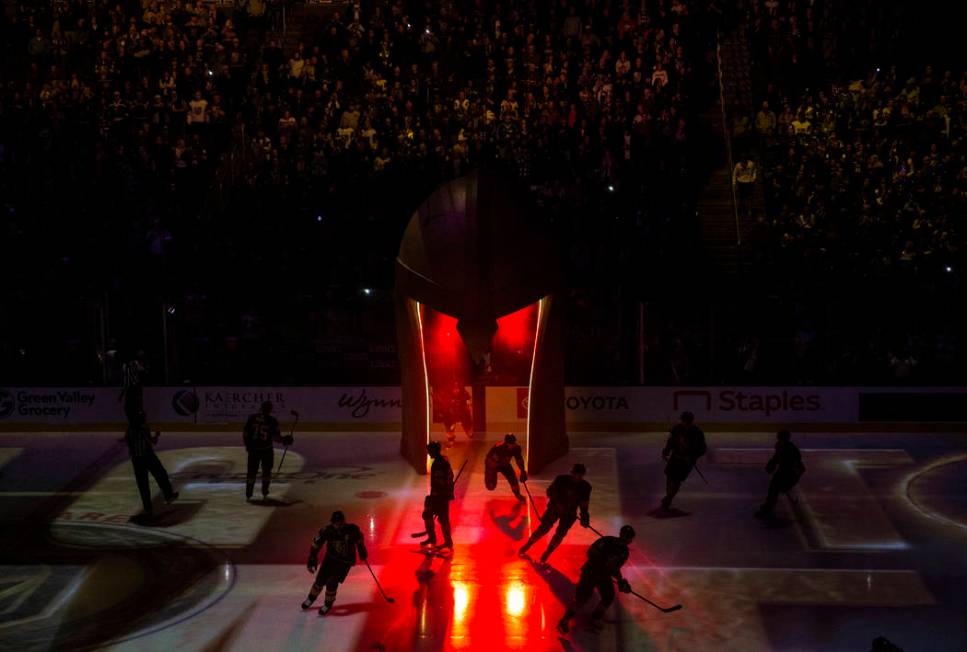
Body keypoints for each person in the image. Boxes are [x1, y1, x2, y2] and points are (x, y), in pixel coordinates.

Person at [556, 524, 636, 634]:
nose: (627, 540)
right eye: (626, 536)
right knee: (582, 598)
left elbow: (615, 568)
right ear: (621, 535)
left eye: (629, 538)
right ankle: (564, 620)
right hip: (591, 572)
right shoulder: (607, 541)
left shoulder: (624, 553)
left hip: (604, 576)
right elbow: (590, 552)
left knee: (608, 596)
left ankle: (595, 618)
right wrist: (603, 561)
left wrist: (620, 580)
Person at [518, 463, 591, 564]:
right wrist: (557, 503)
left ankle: (548, 552)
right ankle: (528, 544)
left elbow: (584, 504)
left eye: (579, 475)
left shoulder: (586, 487)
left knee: (560, 534)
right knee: (543, 528)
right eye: (575, 474)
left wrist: (584, 517)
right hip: (554, 508)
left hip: (569, 514)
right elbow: (550, 492)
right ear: (572, 473)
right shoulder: (561, 479)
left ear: (582, 476)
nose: (577, 477)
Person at [302, 511, 368, 615]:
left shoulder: (352, 530)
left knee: (331, 581)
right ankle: (311, 598)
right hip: (330, 558)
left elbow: (359, 539)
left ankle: (328, 603)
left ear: (343, 521)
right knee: (320, 580)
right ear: (332, 523)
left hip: (345, 561)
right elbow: (316, 543)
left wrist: (361, 549)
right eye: (336, 523)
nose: (338, 525)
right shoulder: (327, 531)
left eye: (340, 523)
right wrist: (312, 557)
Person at [125, 409, 178, 515]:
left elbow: (128, 442)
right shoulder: (144, 429)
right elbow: (152, 442)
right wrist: (157, 435)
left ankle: (148, 507)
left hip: (136, 459)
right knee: (161, 474)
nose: (145, 418)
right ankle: (168, 495)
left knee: (142, 483)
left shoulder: (129, 430)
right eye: (144, 417)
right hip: (148, 457)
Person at [242, 401, 292, 501]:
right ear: (270, 409)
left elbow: (245, 433)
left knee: (251, 472)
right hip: (266, 450)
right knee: (266, 472)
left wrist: (247, 445)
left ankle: (248, 493)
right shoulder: (272, 420)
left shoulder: (252, 418)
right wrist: (285, 440)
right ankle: (265, 492)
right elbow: (276, 438)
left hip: (253, 450)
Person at [661, 411, 707, 510]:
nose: (684, 423)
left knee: (676, 481)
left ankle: (669, 497)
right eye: (684, 421)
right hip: (675, 458)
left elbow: (703, 449)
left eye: (686, 421)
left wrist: (692, 457)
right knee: (669, 477)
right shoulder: (677, 429)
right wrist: (666, 450)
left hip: (686, 462)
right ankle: (669, 496)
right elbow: (671, 441)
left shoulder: (697, 432)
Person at [755, 429, 805, 518]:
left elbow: (798, 465)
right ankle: (769, 507)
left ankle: (768, 507)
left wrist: (794, 475)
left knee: (775, 488)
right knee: (775, 488)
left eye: (781, 438)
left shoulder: (791, 449)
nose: (780, 440)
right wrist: (771, 465)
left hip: (789, 472)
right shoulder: (780, 446)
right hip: (784, 471)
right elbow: (777, 457)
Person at [420, 440, 455, 549]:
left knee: (442, 519)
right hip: (438, 495)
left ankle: (446, 541)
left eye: (429, 450)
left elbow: (445, 481)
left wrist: (444, 494)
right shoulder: (441, 461)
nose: (428, 453)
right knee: (430, 515)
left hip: (440, 496)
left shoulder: (439, 464)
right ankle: (439, 539)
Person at [485, 433, 527, 502]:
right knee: (491, 487)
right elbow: (490, 461)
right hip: (492, 464)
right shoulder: (498, 448)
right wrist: (491, 473)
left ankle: (517, 494)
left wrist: (522, 471)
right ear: (506, 443)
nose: (513, 445)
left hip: (505, 464)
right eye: (511, 443)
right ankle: (490, 481)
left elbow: (519, 460)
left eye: (514, 443)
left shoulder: (516, 448)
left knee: (513, 478)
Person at [119, 350, 147, 426]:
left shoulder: (127, 365)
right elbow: (143, 370)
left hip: (132, 389)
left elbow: (126, 382)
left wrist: (122, 394)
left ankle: (134, 425)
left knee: (130, 409)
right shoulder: (135, 363)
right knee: (134, 408)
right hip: (135, 388)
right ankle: (136, 425)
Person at [442, 381, 473, 446]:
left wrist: (468, 406)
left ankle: (469, 432)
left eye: (457, 388)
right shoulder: (448, 395)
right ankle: (451, 440)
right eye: (455, 388)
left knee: (468, 425)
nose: (456, 390)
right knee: (449, 427)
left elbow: (468, 401)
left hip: (462, 413)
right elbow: (445, 406)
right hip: (451, 414)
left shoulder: (464, 393)